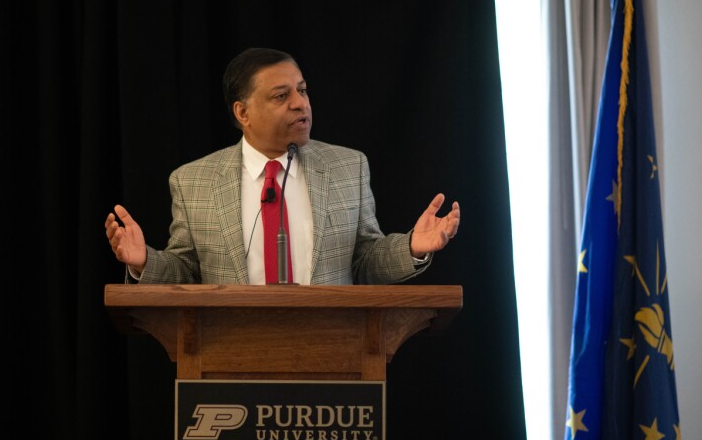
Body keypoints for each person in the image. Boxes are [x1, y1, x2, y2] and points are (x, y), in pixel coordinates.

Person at [104, 47, 460, 285]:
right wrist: (143, 261)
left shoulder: (348, 167)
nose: (299, 104)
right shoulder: (193, 180)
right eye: (281, 96)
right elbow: (185, 271)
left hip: (332, 349)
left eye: (302, 91)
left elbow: (365, 260)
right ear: (242, 112)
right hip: (230, 352)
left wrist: (413, 246)